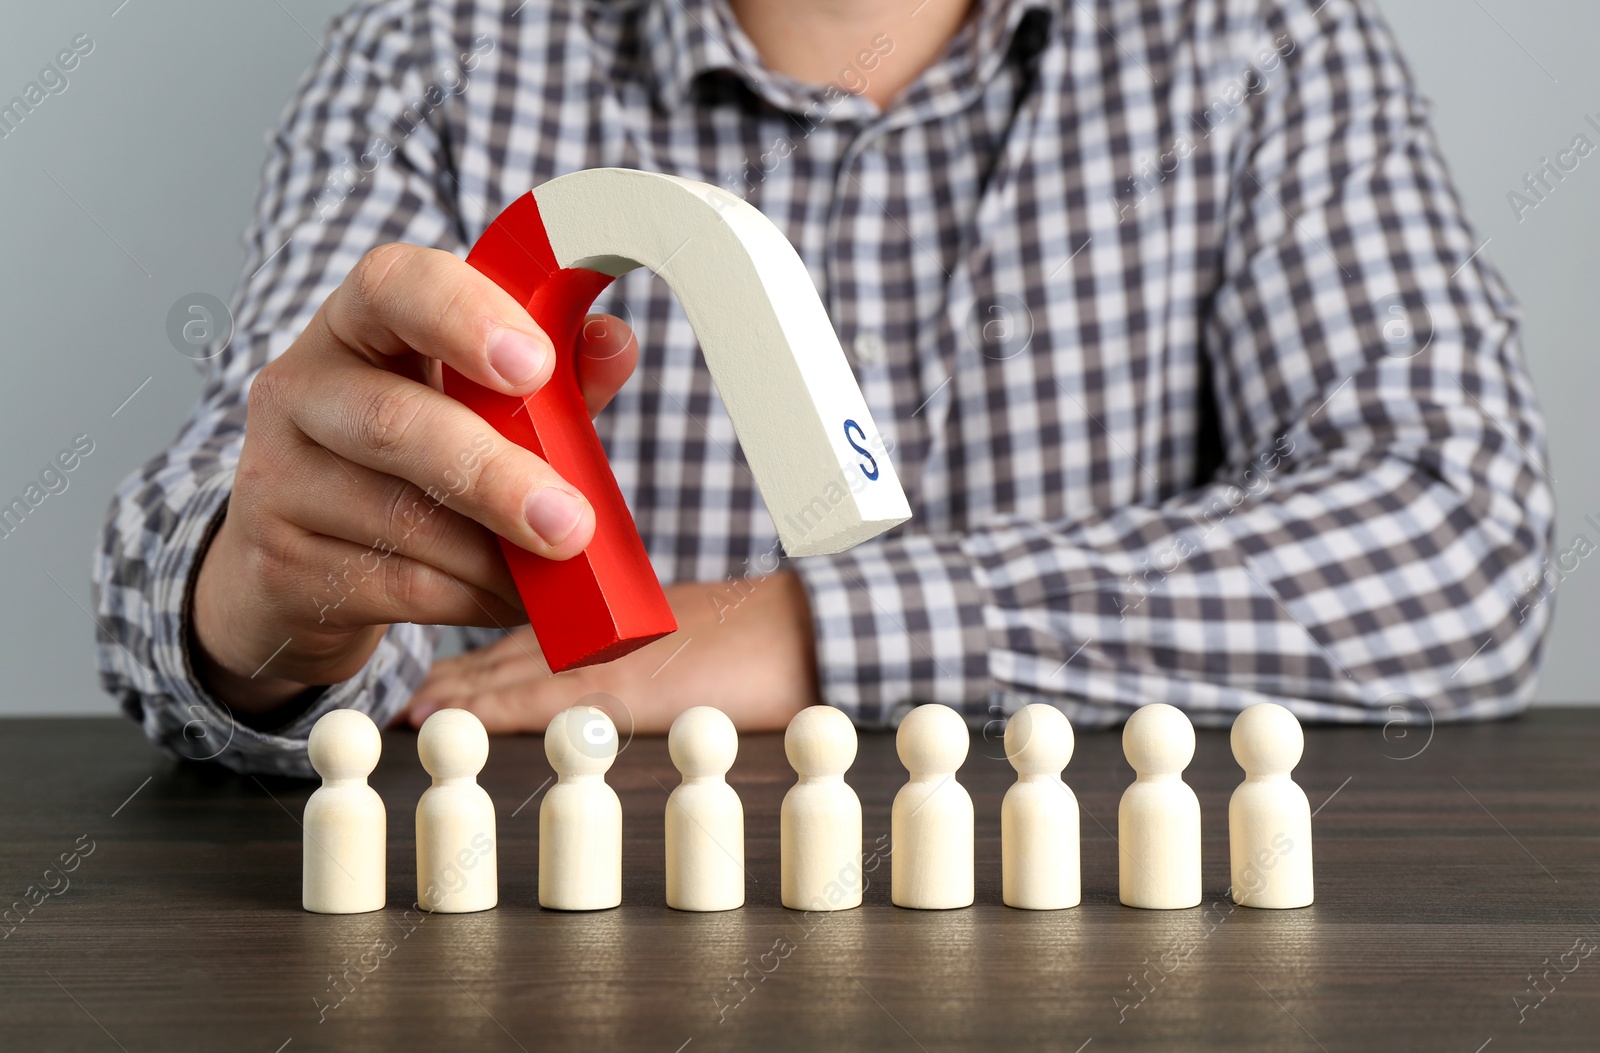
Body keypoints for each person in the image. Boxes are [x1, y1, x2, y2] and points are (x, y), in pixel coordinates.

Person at [92, 0, 1554, 776]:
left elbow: (1460, 532)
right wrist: (259, 610)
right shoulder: (437, 50)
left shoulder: (1259, 37)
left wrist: (807, 620)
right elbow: (246, 522)